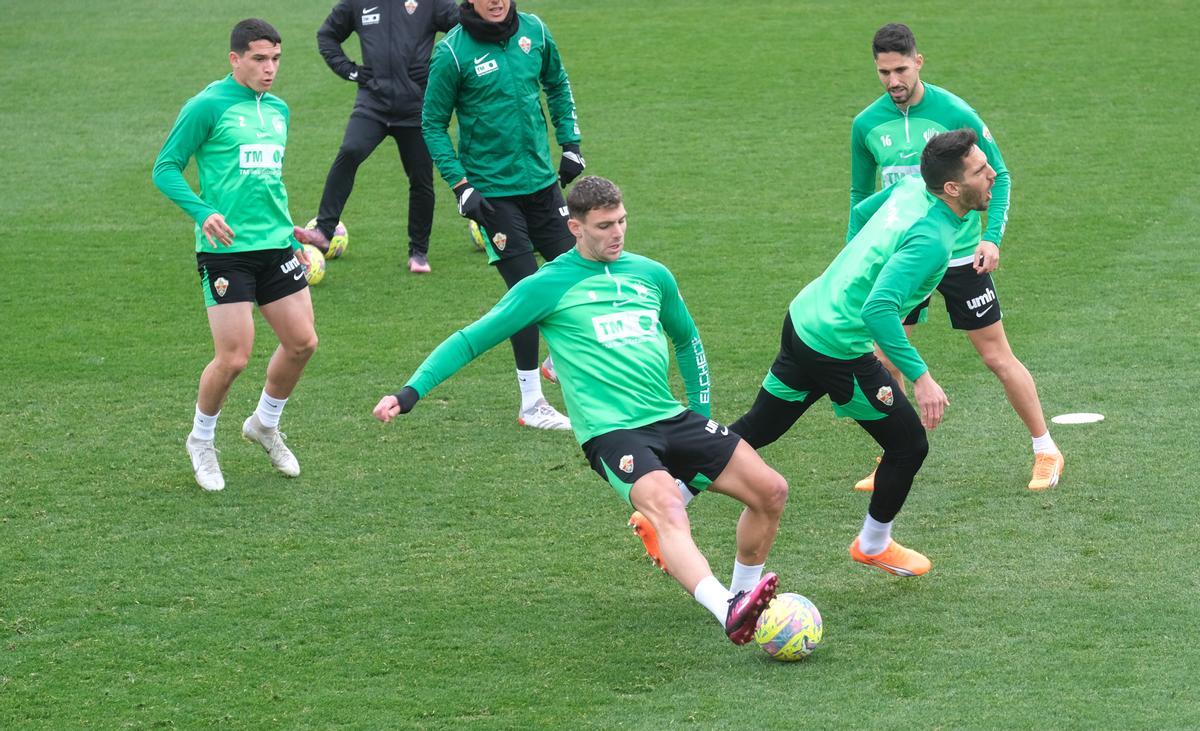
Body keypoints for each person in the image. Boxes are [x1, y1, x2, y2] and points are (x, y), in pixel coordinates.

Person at [373, 176, 788, 644]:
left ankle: (744, 598)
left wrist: (703, 413)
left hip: (671, 416)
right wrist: (410, 393)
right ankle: (725, 609)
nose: (617, 233)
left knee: (771, 490)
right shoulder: (546, 286)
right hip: (613, 433)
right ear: (575, 227)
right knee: (669, 507)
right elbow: (474, 338)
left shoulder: (651, 275)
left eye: (623, 221)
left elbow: (687, 338)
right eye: (605, 225)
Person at [718, 130, 995, 578]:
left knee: (762, 425)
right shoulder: (932, 239)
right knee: (908, 445)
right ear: (951, 188)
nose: (992, 175)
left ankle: (669, 493)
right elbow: (879, 310)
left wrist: (856, 266)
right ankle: (873, 543)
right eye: (981, 171)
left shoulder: (908, 189)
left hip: (807, 315)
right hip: (837, 347)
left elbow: (864, 213)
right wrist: (922, 378)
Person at [849, 23, 1063, 492]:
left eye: (901, 69)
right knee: (885, 357)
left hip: (962, 255)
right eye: (884, 72)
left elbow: (999, 174)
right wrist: (855, 253)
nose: (893, 81)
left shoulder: (952, 111)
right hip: (904, 257)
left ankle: (1045, 448)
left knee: (996, 357)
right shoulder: (866, 125)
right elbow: (860, 194)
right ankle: (893, 455)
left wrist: (991, 238)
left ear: (918, 61)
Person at [153, 19, 325, 492]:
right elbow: (165, 167)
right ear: (235, 59)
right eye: (259, 59)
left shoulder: (279, 111)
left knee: (302, 343)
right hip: (225, 252)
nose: (270, 69)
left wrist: (287, 226)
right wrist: (203, 211)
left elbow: (263, 178)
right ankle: (201, 440)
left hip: (275, 245)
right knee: (233, 358)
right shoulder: (207, 106)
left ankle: (264, 425)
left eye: (276, 59)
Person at [421, 0, 586, 430]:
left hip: (541, 182)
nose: (496, 0)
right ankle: (532, 404)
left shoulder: (535, 31)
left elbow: (558, 83)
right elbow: (432, 124)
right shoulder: (452, 53)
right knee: (527, 292)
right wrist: (461, 185)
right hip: (492, 194)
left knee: (581, 270)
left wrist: (570, 143)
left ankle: (557, 361)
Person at [306, 0, 458, 274]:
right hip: (373, 101)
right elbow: (327, 35)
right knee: (350, 151)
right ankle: (324, 230)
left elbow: (463, 28)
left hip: (416, 107)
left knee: (421, 177)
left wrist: (437, 66)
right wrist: (350, 70)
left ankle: (419, 253)